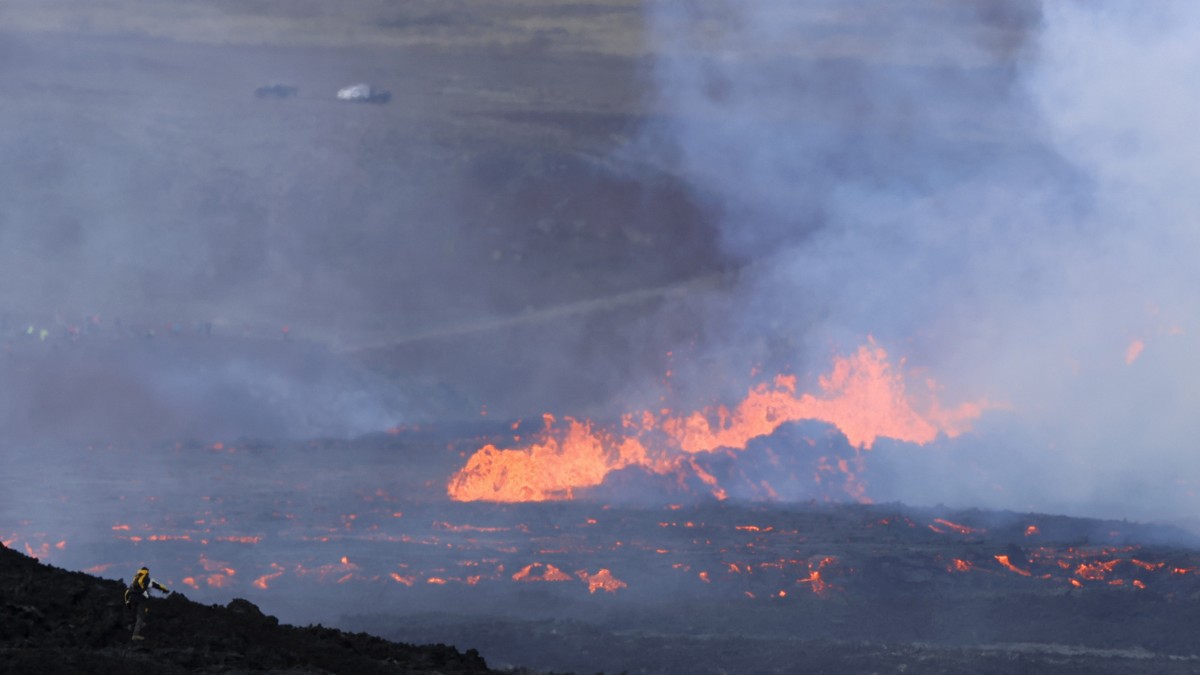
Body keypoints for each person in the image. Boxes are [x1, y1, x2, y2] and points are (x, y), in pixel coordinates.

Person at [124, 566, 170, 641]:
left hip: (132, 599)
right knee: (140, 616)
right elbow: (158, 585)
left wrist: (127, 601)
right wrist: (165, 590)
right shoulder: (147, 579)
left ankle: (134, 626)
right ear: (147, 572)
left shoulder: (136, 578)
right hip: (141, 599)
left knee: (136, 613)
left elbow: (128, 591)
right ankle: (135, 635)